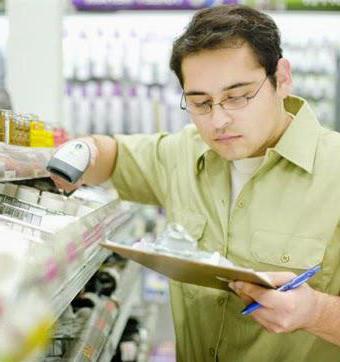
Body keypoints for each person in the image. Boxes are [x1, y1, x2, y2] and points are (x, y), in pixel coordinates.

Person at [51, 5, 340, 361]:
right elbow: (113, 156)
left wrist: (316, 313)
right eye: (200, 102)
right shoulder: (182, 154)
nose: (218, 120)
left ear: (281, 77)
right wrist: (78, 153)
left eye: (237, 96)